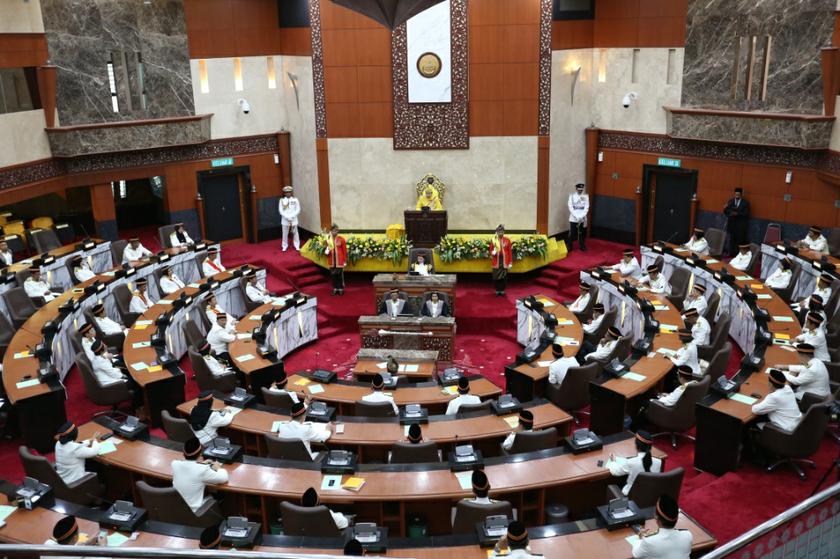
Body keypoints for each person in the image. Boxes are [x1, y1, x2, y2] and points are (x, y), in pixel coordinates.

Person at [171, 437, 229, 513]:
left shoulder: (174, 464)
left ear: (183, 453)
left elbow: (191, 468)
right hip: (196, 514)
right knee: (220, 494)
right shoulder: (202, 469)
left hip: (177, 509)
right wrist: (217, 466)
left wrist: (202, 464)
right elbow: (225, 477)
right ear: (200, 453)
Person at [631, 494, 692, 558]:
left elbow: (635, 554)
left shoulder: (649, 541)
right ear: (677, 518)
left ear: (656, 518)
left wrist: (640, 537)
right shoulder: (687, 535)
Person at [607, 430, 663, 496]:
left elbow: (615, 472)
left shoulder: (631, 462)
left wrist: (613, 461)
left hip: (631, 497)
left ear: (636, 445)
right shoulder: (659, 462)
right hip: (649, 496)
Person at [723, 187, 750, 256]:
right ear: (734, 194)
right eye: (736, 194)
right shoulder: (730, 201)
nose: (737, 196)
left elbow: (746, 213)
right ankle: (730, 253)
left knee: (739, 240)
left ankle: (738, 254)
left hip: (740, 225)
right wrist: (729, 212)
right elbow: (725, 211)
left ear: (741, 195)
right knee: (731, 240)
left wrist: (737, 214)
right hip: (731, 224)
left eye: (738, 195)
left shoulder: (745, 203)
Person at [490, 224, 513, 296]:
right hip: (496, 261)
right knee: (496, 276)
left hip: (504, 262)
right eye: (499, 231)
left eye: (502, 231)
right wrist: (492, 252)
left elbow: (509, 252)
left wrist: (510, 262)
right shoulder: (493, 240)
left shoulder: (507, 240)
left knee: (504, 276)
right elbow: (490, 250)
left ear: (504, 232)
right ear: (496, 231)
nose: (501, 232)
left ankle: (502, 290)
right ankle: (497, 290)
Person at [325, 224, 347, 295]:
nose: (335, 232)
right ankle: (335, 288)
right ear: (331, 231)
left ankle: (340, 289)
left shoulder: (341, 239)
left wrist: (344, 260)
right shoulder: (328, 239)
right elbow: (326, 248)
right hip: (332, 260)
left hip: (339, 260)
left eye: (336, 231)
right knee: (333, 275)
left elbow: (344, 251)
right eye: (333, 231)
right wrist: (326, 251)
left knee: (339, 275)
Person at [567, 182, 589, 252]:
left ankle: (582, 245)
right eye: (579, 189)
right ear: (576, 189)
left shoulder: (585, 196)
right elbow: (570, 207)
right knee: (572, 233)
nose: (580, 191)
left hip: (582, 218)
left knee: (582, 233)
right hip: (573, 218)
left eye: (581, 190)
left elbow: (586, 207)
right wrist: (576, 216)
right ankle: (569, 246)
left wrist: (581, 216)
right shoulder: (572, 196)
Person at [279, 185, 301, 252]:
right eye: (286, 192)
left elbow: (298, 209)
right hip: (285, 220)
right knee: (285, 234)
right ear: (284, 193)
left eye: (289, 192)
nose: (288, 193)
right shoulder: (282, 200)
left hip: (293, 220)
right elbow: (281, 210)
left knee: (295, 233)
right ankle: (284, 246)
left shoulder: (295, 200)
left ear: (291, 193)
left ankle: (297, 245)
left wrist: (292, 216)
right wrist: (287, 217)